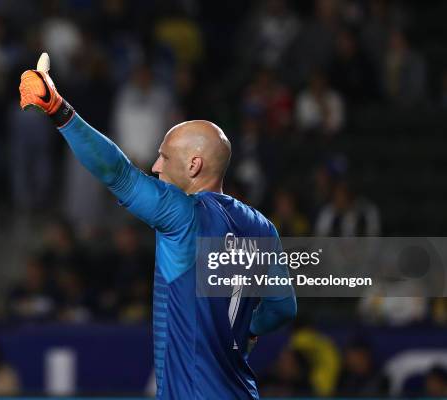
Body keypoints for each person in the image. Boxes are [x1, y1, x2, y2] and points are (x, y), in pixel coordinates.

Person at [19, 53, 296, 399]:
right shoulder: (262, 227)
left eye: (164, 156)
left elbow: (118, 173)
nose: (155, 166)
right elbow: (284, 307)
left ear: (194, 165)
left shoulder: (183, 215)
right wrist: (249, 330)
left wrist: (57, 109)